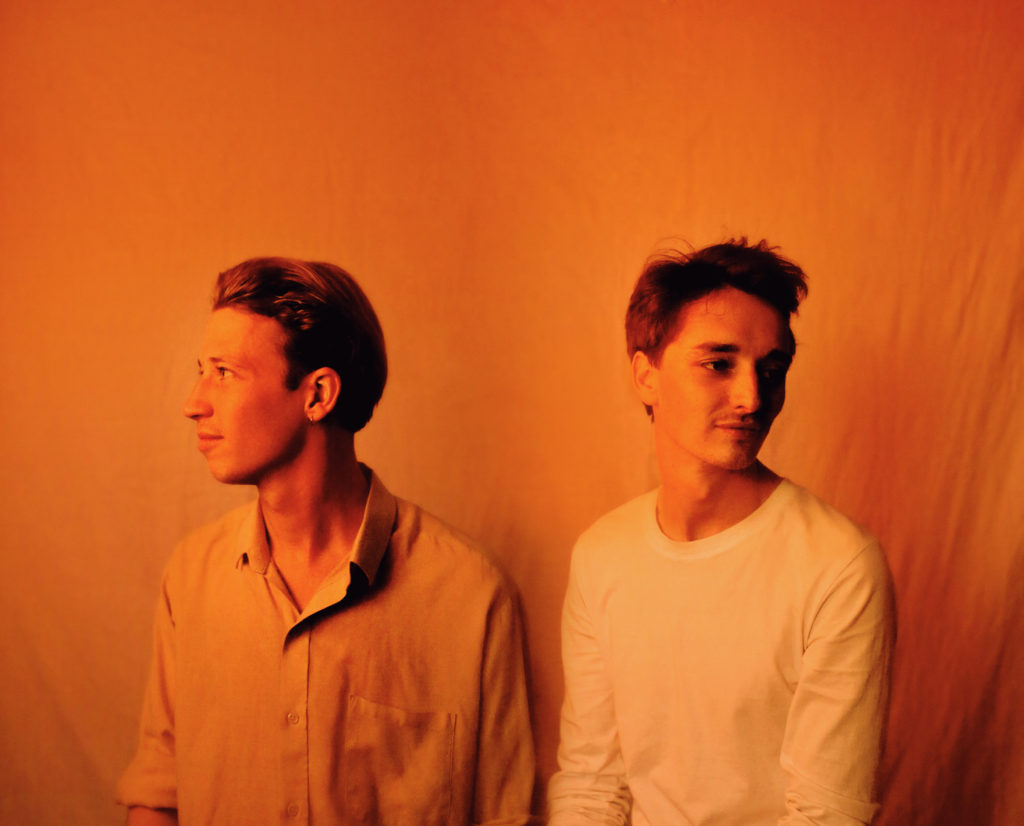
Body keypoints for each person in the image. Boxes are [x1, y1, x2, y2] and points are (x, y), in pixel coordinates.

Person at [118, 257, 535, 826]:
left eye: (224, 372)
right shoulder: (190, 577)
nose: (194, 401)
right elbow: (158, 789)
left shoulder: (471, 596)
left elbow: (504, 812)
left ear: (317, 394)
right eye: (201, 370)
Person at [548, 240, 895, 825]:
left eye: (772, 370)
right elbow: (591, 784)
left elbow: (825, 816)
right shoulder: (602, 554)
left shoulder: (839, 564)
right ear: (646, 376)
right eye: (719, 364)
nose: (752, 397)